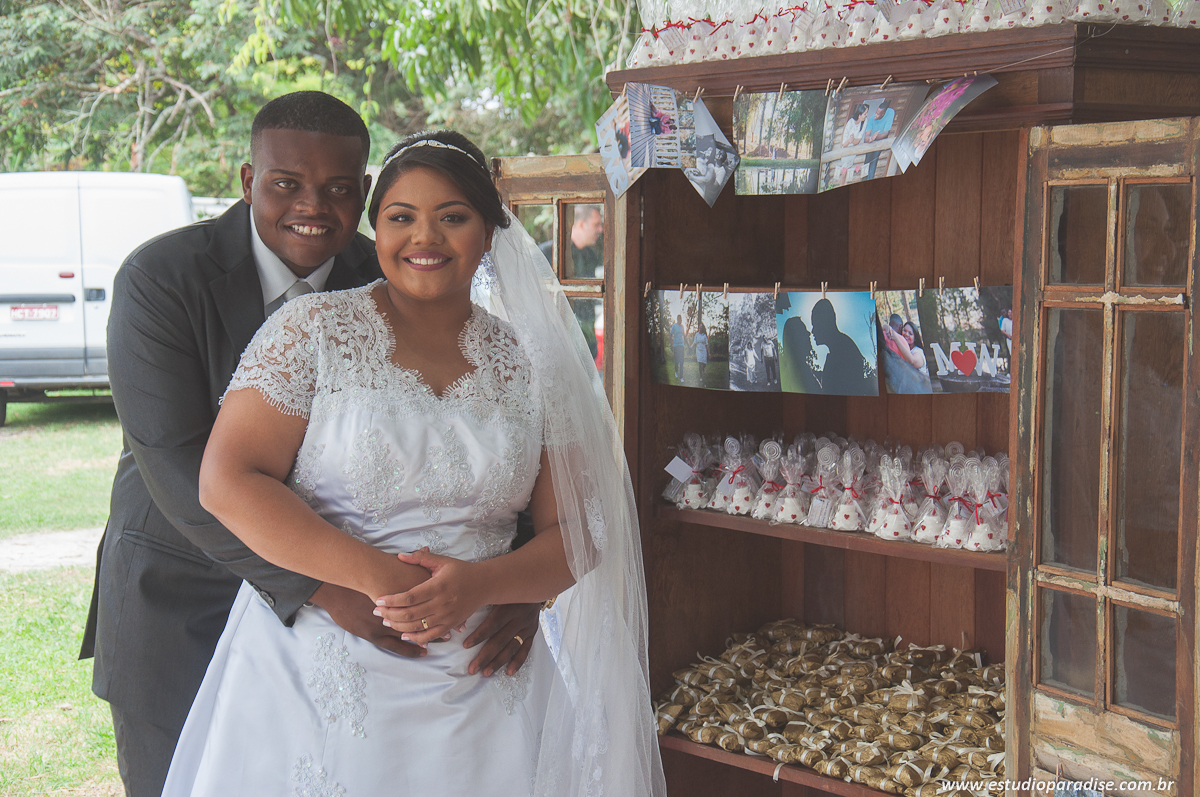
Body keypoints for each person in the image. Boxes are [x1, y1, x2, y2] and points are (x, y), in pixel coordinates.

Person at [160, 130, 666, 796]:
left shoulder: (531, 364)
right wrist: (377, 579)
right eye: (401, 218)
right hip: (319, 670)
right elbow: (227, 482)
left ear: (489, 233)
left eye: (451, 217)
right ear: (378, 230)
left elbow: (579, 531)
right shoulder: (310, 331)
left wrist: (483, 586)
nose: (424, 237)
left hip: (485, 682)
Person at [81, 93, 538, 797]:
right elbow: (180, 469)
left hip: (384, 637)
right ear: (246, 181)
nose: (313, 206)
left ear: (361, 192)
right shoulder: (160, 278)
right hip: (182, 593)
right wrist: (328, 587)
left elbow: (490, 443)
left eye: (337, 189)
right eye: (286, 184)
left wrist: (516, 586)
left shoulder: (396, 268)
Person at [810, 297, 874, 395]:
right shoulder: (841, 348)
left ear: (827, 321)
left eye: (815, 325)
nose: (812, 331)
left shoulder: (845, 351)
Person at [861, 98, 895, 180]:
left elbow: (885, 133)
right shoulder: (872, 119)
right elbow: (866, 137)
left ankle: (870, 180)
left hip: (879, 142)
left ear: (883, 114)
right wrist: (871, 138)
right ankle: (863, 180)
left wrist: (876, 137)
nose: (875, 115)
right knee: (867, 161)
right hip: (870, 142)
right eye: (876, 113)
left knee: (874, 162)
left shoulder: (890, 113)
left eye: (878, 114)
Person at [670, 313, 686, 380]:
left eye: (681, 319)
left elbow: (684, 335)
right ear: (677, 319)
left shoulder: (682, 326)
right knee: (677, 360)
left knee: (681, 361)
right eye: (680, 319)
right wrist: (671, 344)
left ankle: (681, 377)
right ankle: (676, 371)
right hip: (676, 345)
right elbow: (671, 335)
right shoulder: (674, 326)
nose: (681, 321)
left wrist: (687, 344)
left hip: (681, 345)